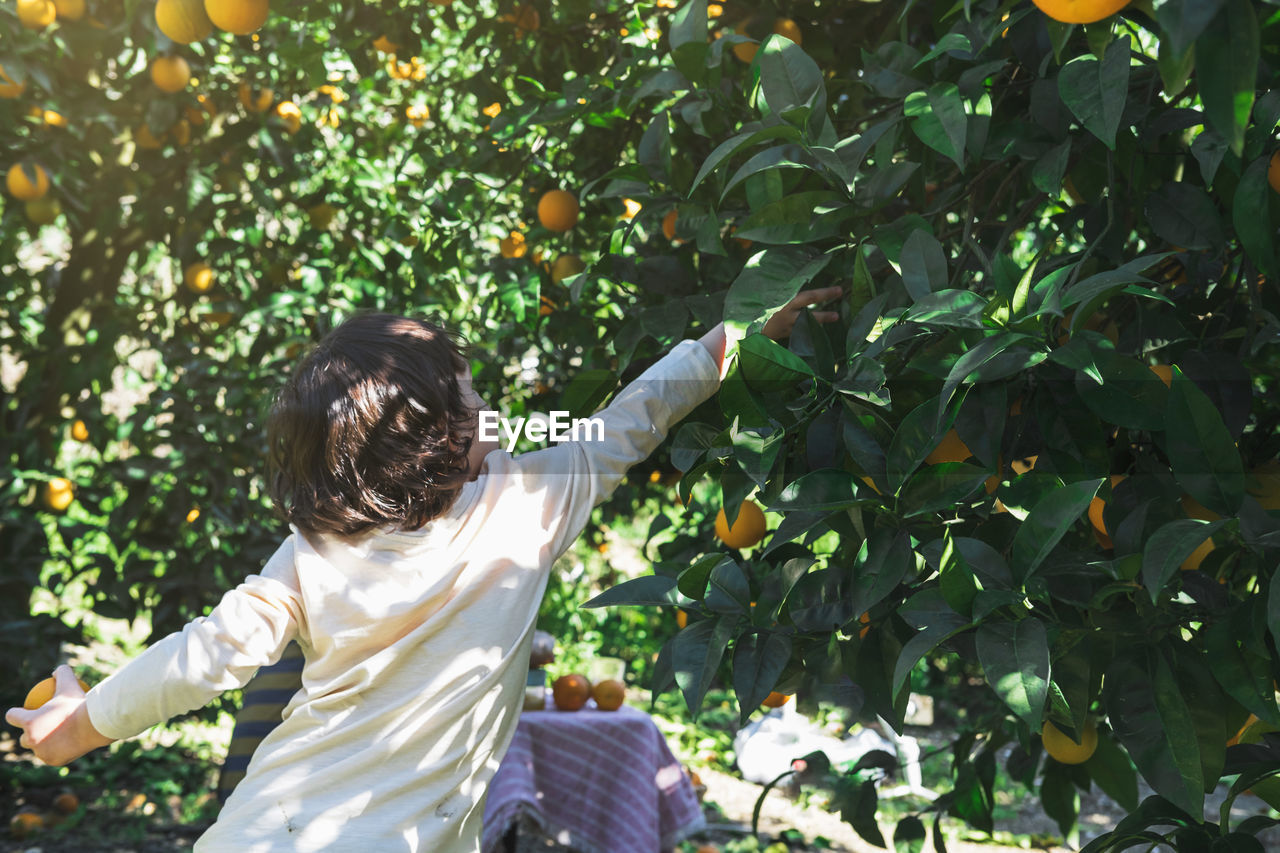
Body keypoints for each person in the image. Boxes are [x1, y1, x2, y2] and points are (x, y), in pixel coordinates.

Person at [5, 288, 842, 852]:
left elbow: (206, 652)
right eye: (472, 394)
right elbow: (636, 416)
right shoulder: (533, 502)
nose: (492, 405)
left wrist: (78, 724)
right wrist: (736, 341)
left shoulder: (318, 539)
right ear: (439, 433)